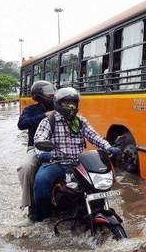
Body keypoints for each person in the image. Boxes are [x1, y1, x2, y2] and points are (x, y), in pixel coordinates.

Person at [31, 87, 121, 221]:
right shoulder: (48, 121)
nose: (71, 106)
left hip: (78, 164)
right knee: (41, 182)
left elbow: (94, 137)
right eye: (67, 103)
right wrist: (43, 152)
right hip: (56, 163)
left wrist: (109, 147)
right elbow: (39, 139)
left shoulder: (80, 121)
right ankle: (42, 218)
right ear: (58, 104)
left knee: (99, 183)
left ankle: (99, 208)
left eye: (73, 103)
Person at [17, 80, 55, 220]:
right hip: (36, 148)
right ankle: (31, 205)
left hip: (60, 147)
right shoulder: (30, 110)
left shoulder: (60, 106)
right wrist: (44, 116)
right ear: (38, 95)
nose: (51, 93)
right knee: (26, 167)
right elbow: (21, 124)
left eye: (51, 89)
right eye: (47, 90)